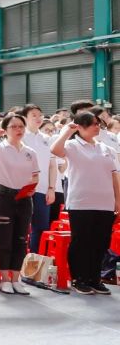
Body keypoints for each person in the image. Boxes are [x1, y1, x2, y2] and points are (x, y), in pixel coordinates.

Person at [50, 112, 118, 295]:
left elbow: (114, 176)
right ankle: (79, 278)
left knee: (101, 242)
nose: (97, 126)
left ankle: (95, 278)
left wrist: (118, 200)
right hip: (81, 202)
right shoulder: (72, 145)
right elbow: (55, 150)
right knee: (81, 242)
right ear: (80, 127)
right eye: (93, 124)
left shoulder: (106, 148)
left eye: (98, 123)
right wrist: (67, 131)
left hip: (105, 202)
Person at [0, 115, 37, 295]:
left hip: (24, 198)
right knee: (5, 240)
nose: (18, 130)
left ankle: (16, 279)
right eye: (14, 127)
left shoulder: (30, 152)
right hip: (4, 196)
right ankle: (4, 279)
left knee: (21, 240)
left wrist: (33, 187)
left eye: (21, 126)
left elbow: (35, 174)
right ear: (6, 129)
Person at [19, 104, 58, 255]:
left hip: (42, 189)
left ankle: (35, 260)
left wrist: (51, 188)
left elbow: (52, 166)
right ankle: (19, 261)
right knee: (21, 228)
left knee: (41, 228)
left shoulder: (47, 139)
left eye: (40, 115)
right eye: (34, 115)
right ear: (25, 118)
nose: (38, 118)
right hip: (23, 189)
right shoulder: (20, 137)